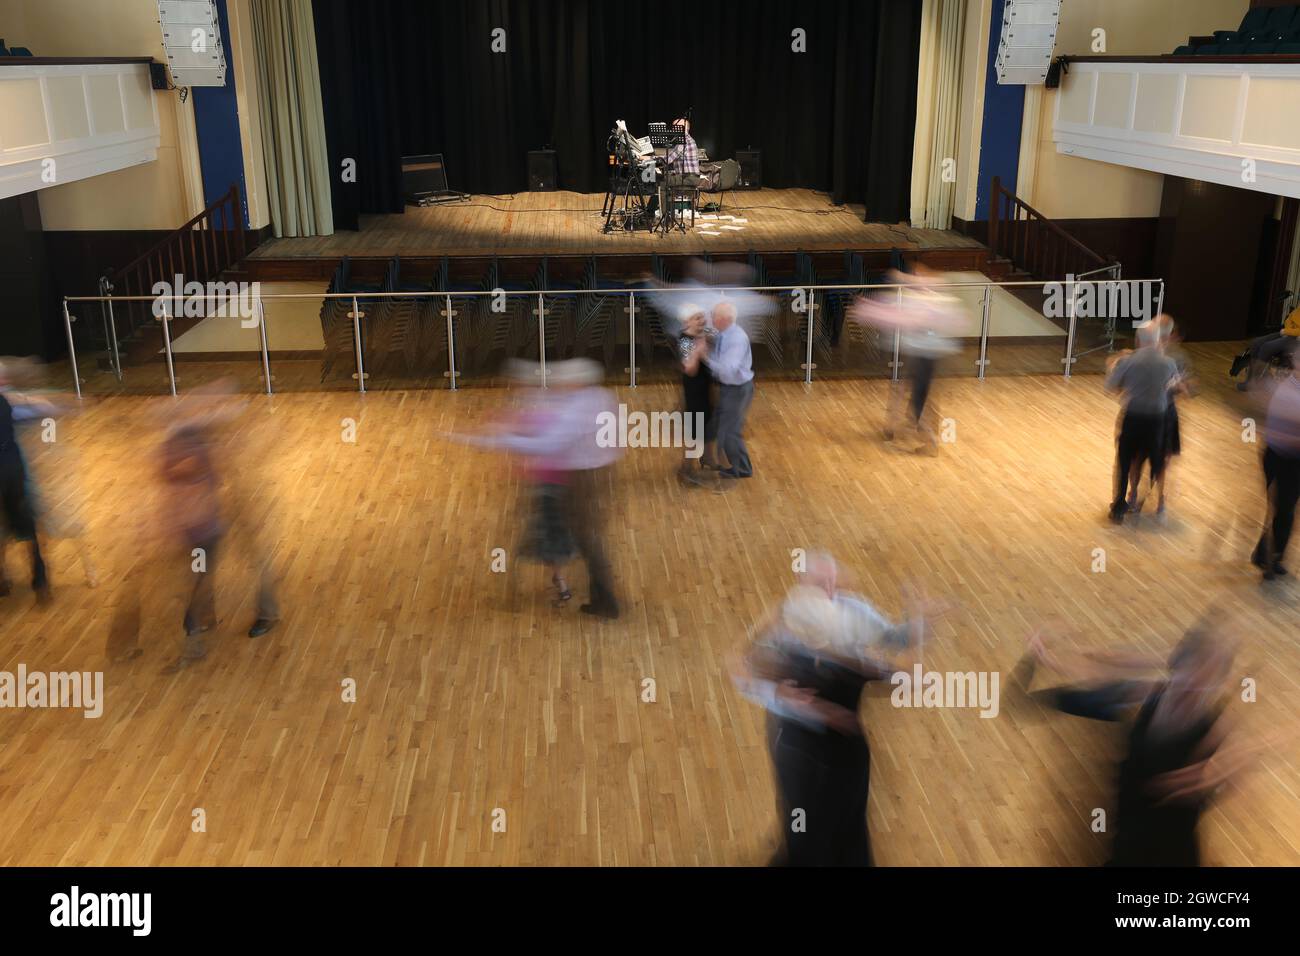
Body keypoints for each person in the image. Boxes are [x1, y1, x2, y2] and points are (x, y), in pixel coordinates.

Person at [731, 553, 932, 866]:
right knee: (806, 832)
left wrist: (918, 617)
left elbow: (897, 643)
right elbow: (738, 668)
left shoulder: (854, 612)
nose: (829, 589)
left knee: (848, 824)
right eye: (820, 582)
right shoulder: (784, 622)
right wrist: (781, 697)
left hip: (846, 748)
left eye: (833, 580)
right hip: (799, 748)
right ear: (801, 582)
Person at [1015, 620, 1268, 866]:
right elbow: (1082, 685)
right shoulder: (1146, 696)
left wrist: (1212, 779)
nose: (1195, 686)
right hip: (1128, 845)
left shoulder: (1212, 728)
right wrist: (1044, 659)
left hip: (1174, 855)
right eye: (1193, 673)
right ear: (1178, 667)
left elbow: (1234, 771)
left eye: (1208, 680)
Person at [454, 359, 622, 618]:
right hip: (599, 474)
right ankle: (594, 595)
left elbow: (548, 444)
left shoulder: (576, 408)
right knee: (588, 538)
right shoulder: (601, 397)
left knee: (586, 540)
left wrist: (503, 440)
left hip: (581, 478)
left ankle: (605, 601)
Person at [849, 266, 965, 454]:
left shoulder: (927, 300)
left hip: (926, 356)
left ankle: (926, 441)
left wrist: (869, 307)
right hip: (924, 355)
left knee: (919, 399)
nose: (915, 278)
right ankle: (905, 434)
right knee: (914, 395)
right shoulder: (931, 299)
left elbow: (899, 314)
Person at [1105, 320, 1179, 524]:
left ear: (1138, 340)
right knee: (1157, 460)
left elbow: (1110, 387)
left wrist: (1114, 365)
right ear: (1157, 341)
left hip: (1134, 417)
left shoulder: (1127, 362)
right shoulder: (1169, 363)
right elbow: (1173, 385)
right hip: (1157, 419)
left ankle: (1120, 504)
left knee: (1125, 460)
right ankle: (1154, 500)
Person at [0, 369, 51, 601]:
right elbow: (44, 409)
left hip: (8, 470)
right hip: (13, 469)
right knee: (24, 520)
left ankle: (2, 579)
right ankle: (39, 576)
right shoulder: (7, 402)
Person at [1251, 357, 1300, 580]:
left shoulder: (1283, 385)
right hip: (1282, 456)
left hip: (1280, 454)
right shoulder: (1287, 391)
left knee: (1282, 508)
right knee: (1284, 508)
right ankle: (1270, 557)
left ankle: (1269, 555)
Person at [701, 301, 754, 479]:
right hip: (723, 388)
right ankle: (706, 457)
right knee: (713, 426)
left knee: (728, 431)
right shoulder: (719, 334)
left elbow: (727, 370)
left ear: (724, 319)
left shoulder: (736, 338)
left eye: (713, 315)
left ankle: (742, 468)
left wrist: (703, 357)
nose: (709, 318)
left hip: (735, 389)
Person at [1230, 301, 1299, 389]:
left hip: (1296, 339)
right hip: (1287, 333)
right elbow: (1289, 319)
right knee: (1256, 343)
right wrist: (1289, 329)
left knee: (1267, 347)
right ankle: (1251, 379)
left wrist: (1287, 331)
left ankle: (1254, 382)